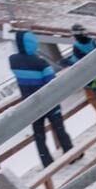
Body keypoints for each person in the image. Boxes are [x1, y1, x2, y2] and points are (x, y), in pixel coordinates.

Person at [8, 30, 74, 167]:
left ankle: (46, 161)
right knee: (59, 129)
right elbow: (51, 82)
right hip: (49, 102)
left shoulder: (13, 61)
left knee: (39, 135)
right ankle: (70, 154)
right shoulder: (41, 63)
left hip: (30, 105)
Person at [59, 23, 96, 125]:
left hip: (88, 77)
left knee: (92, 98)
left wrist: (66, 62)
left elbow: (78, 61)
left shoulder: (77, 46)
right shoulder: (92, 42)